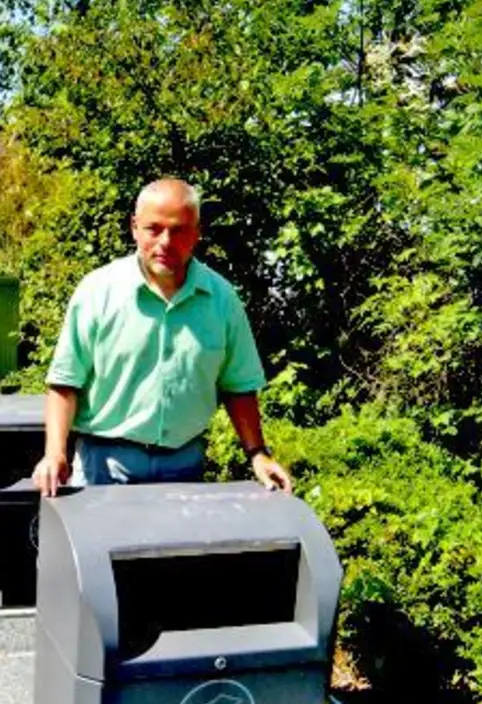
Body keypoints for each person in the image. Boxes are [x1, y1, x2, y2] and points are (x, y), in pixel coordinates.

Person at [30, 177, 294, 496]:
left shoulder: (222, 300)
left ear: (196, 233)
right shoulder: (97, 293)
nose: (166, 242)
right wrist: (55, 453)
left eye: (179, 229)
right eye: (154, 229)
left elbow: (238, 387)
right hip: (104, 466)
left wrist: (257, 453)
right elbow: (64, 382)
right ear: (134, 228)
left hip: (185, 467)